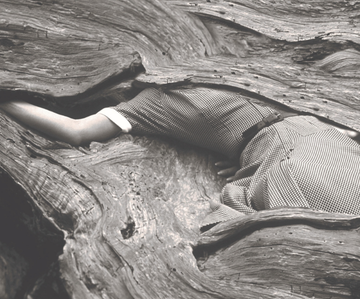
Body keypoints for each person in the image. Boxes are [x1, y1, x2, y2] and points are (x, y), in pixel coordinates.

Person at [1, 86, 359, 223]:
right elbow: (74, 130)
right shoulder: (151, 104)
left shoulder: (222, 63)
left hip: (325, 138)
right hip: (290, 154)